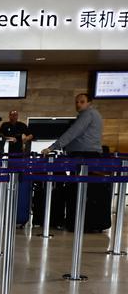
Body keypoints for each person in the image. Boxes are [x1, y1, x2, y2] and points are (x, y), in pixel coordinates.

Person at [43, 93, 110, 232]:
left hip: (84, 156)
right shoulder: (95, 114)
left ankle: (81, 223)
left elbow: (73, 132)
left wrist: (52, 147)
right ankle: (91, 223)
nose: (78, 104)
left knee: (79, 190)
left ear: (89, 103)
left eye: (82, 102)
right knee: (88, 190)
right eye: (77, 102)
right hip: (90, 156)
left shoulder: (88, 114)